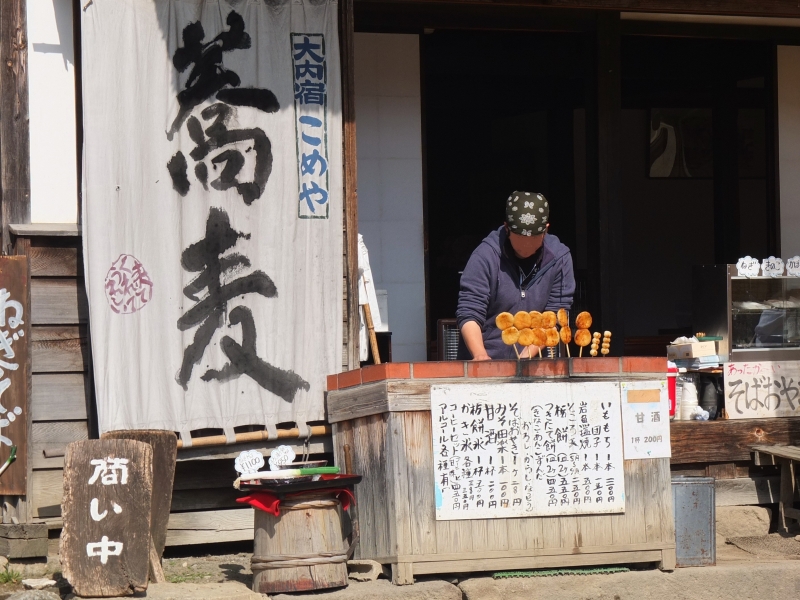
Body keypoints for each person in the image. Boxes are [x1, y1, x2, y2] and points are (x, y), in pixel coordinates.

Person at [456, 191, 575, 361]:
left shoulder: (559, 258)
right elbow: (470, 311)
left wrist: (524, 358)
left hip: (534, 360)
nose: (526, 243)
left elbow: (554, 316)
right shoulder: (485, 256)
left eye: (533, 237)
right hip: (486, 357)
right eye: (519, 236)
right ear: (507, 228)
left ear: (545, 230)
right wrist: (480, 356)